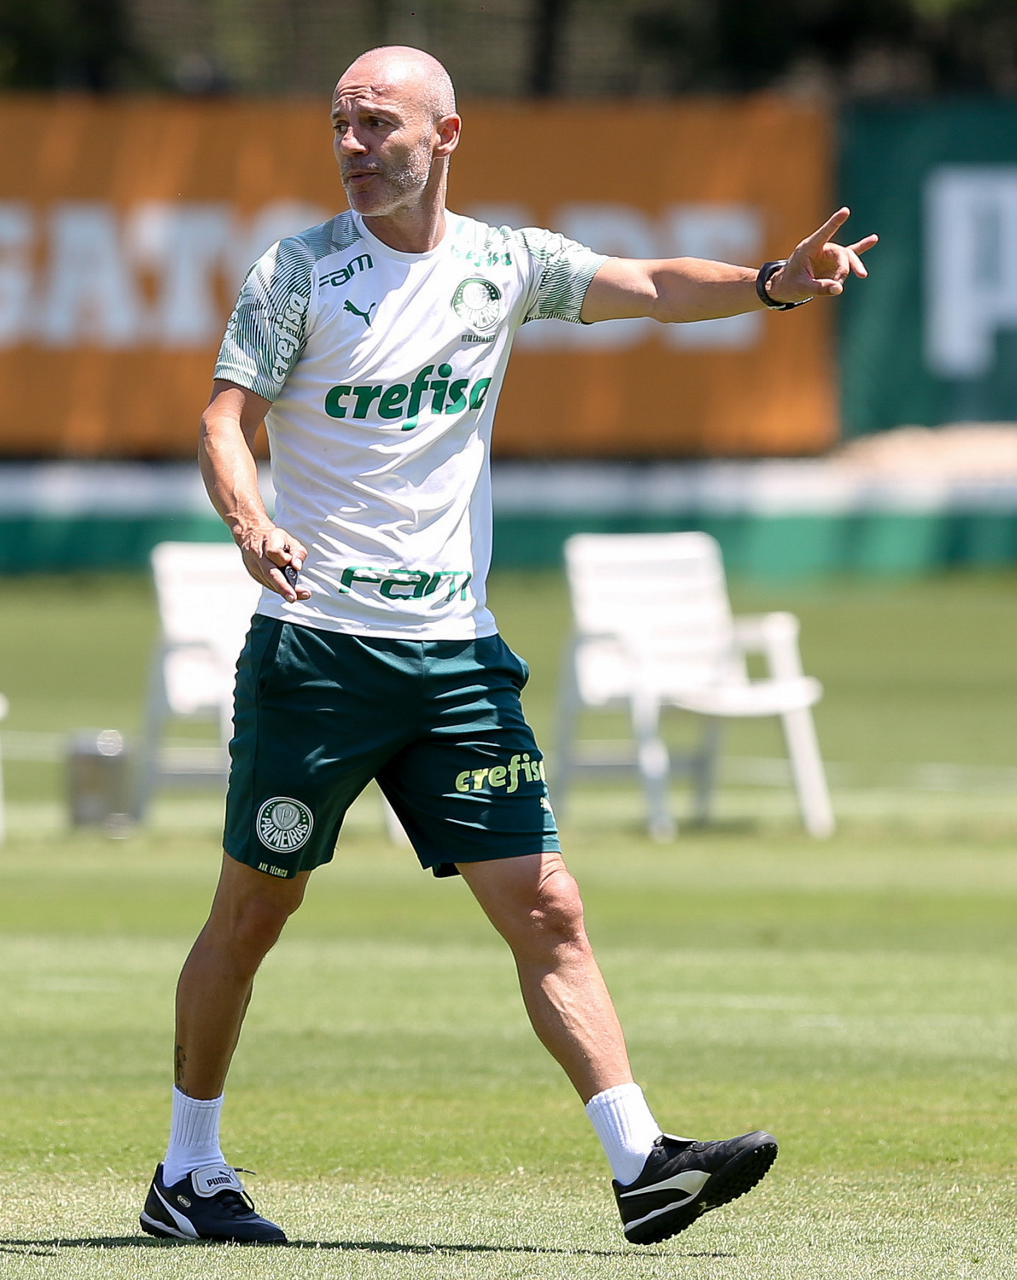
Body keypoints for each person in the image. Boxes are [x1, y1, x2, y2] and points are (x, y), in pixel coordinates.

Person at [139, 45, 876, 1247]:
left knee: (548, 905)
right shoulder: (300, 271)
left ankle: (641, 1162)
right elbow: (226, 420)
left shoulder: (504, 262)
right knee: (251, 916)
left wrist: (770, 282)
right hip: (318, 653)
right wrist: (250, 521)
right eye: (340, 125)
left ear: (446, 134)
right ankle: (188, 1169)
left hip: (457, 659)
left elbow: (648, 284)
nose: (353, 145)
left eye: (378, 124)